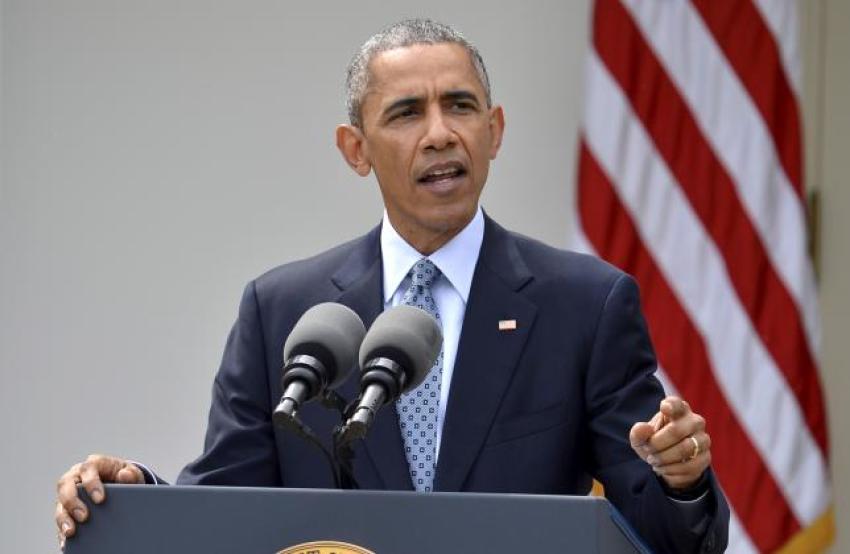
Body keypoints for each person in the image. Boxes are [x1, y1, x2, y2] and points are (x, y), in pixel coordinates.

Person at [55, 19, 729, 552]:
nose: (440, 134)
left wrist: (681, 478)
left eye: (460, 106)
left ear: (493, 133)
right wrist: (135, 493)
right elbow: (226, 507)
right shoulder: (283, 311)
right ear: (356, 149)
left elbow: (669, 538)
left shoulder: (585, 304)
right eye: (407, 114)